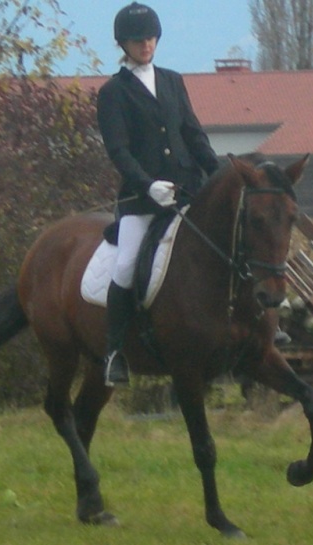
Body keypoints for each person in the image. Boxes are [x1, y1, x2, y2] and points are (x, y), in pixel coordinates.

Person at [96, 2, 220, 386]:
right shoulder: (113, 92)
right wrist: (146, 184)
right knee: (126, 264)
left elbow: (193, 134)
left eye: (150, 37)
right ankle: (115, 351)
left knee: (230, 246)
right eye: (137, 39)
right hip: (142, 200)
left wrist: (217, 174)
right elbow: (119, 150)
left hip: (188, 191)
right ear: (123, 44)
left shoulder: (172, 80)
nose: (145, 44)